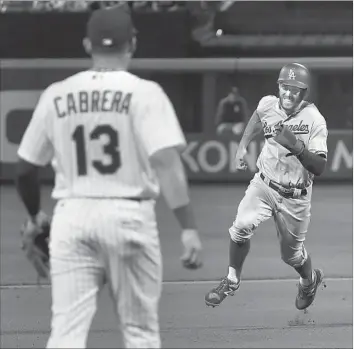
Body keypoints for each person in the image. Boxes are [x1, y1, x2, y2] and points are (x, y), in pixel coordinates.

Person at [16, 5, 203, 348]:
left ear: (88, 45)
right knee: (140, 334)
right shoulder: (145, 93)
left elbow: (26, 168)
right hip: (129, 215)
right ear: (132, 43)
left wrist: (34, 216)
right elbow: (166, 162)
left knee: (65, 334)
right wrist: (188, 226)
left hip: (72, 218)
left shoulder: (56, 93)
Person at [205, 63, 327, 311]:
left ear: (304, 92)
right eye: (285, 87)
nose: (288, 93)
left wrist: (296, 146)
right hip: (264, 184)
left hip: (295, 196)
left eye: (295, 89)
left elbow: (320, 167)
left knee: (291, 256)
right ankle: (231, 280)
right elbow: (257, 118)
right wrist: (242, 147)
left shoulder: (315, 120)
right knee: (240, 227)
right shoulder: (268, 104)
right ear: (279, 87)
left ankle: (308, 281)